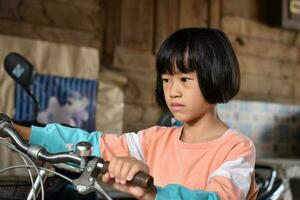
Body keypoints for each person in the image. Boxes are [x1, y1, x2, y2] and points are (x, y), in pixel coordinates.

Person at [13, 27, 258, 200]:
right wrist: (17, 130)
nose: (173, 91)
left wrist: (153, 194)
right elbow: (93, 146)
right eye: (166, 79)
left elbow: (218, 198)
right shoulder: (154, 140)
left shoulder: (237, 148)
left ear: (216, 77)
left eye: (184, 79)